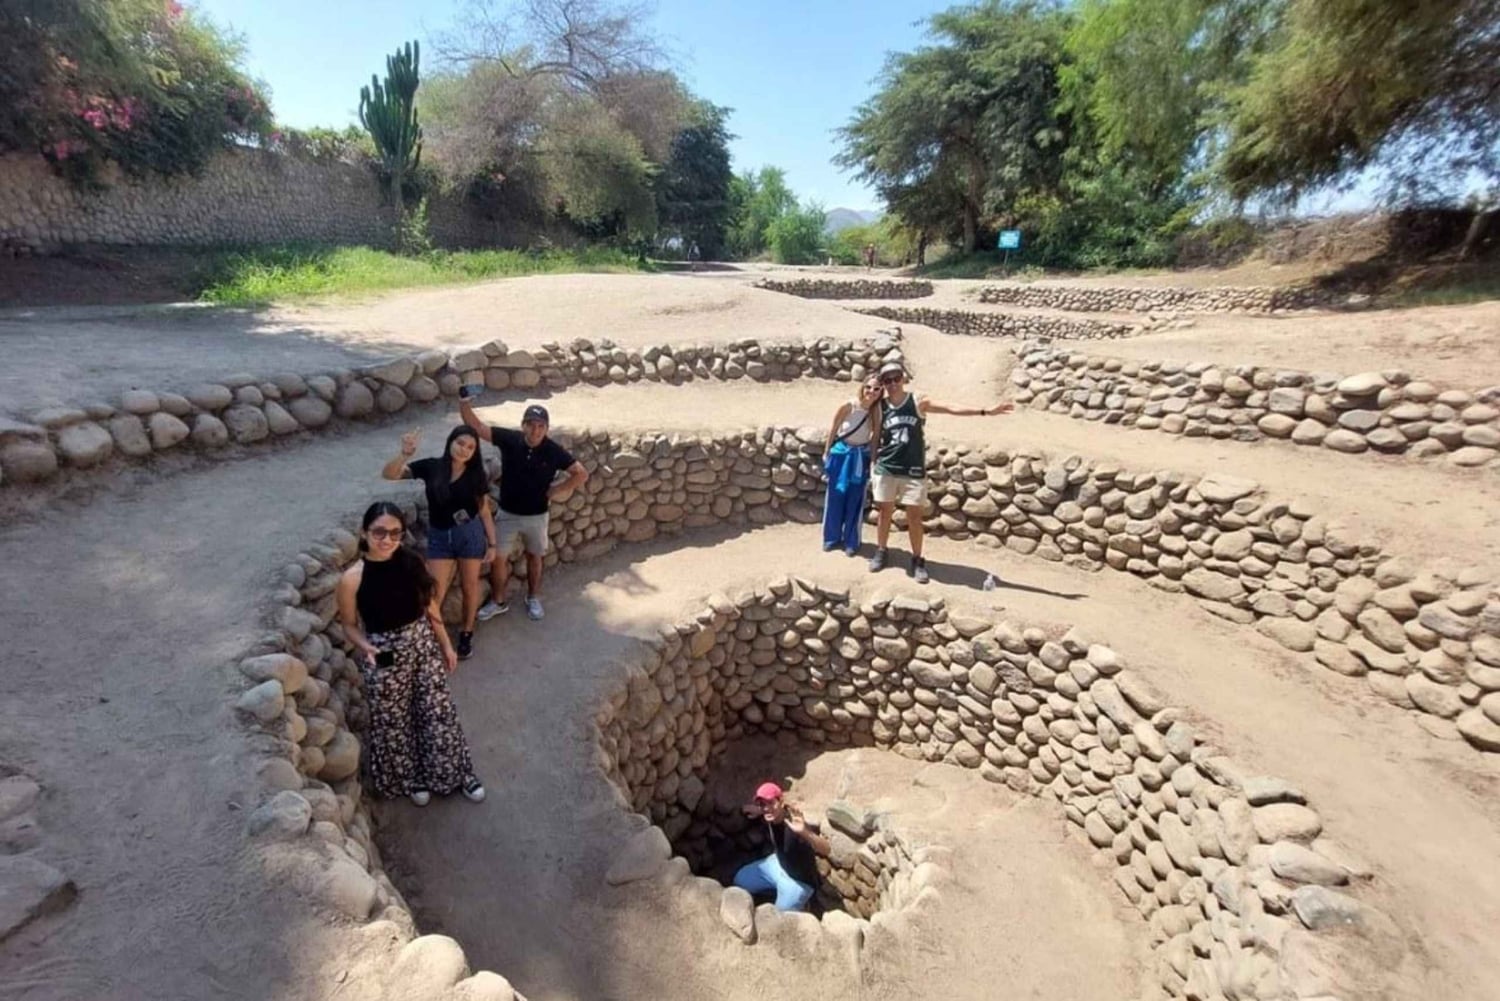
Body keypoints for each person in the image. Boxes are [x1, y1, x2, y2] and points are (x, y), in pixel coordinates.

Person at [335, 502, 485, 807]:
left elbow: (430, 606)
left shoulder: (412, 563)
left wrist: (445, 644)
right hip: (384, 653)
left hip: (422, 644)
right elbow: (348, 625)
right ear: (365, 533)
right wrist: (364, 646)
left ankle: (456, 772)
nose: (387, 539)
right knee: (395, 718)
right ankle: (411, 776)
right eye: (379, 532)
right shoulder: (352, 579)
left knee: (437, 710)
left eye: (395, 533)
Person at [869, 361, 1013, 583]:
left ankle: (917, 559)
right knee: (884, 512)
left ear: (903, 378)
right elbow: (876, 435)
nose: (893, 383)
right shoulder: (881, 407)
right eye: (887, 380)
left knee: (914, 516)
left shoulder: (917, 402)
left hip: (912, 468)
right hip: (887, 467)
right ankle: (881, 550)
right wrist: (872, 463)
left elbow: (950, 408)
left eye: (896, 378)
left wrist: (985, 411)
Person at [460, 399, 589, 621]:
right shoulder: (510, 440)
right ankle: (498, 601)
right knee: (498, 559)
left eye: (541, 426)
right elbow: (478, 427)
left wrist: (556, 490)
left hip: (537, 516)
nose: (536, 430)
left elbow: (581, 473)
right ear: (523, 425)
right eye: (531, 424)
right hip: (507, 513)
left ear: (546, 428)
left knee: (534, 557)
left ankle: (533, 597)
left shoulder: (553, 451)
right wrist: (464, 402)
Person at [382, 425, 496, 661]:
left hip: (469, 535)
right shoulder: (432, 467)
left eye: (470, 447)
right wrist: (405, 454)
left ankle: (466, 633)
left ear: (475, 452)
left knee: (469, 587)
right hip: (440, 536)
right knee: (433, 594)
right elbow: (389, 475)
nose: (464, 450)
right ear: (450, 442)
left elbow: (483, 511)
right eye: (460, 443)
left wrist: (492, 544)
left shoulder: (476, 475)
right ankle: (431, 640)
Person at [733, 782, 828, 912]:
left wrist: (805, 832)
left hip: (798, 882)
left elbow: (826, 849)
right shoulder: (771, 815)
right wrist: (757, 810)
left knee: (779, 918)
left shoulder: (795, 825)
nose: (766, 808)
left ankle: (803, 904)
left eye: (771, 803)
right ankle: (777, 892)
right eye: (762, 804)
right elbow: (769, 810)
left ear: (781, 801)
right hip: (778, 864)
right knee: (740, 880)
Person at [822, 375, 882, 555]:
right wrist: (827, 452)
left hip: (859, 457)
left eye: (876, 389)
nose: (871, 392)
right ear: (863, 388)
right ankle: (831, 538)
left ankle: (851, 541)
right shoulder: (849, 405)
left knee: (855, 499)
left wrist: (872, 460)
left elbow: (875, 437)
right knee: (835, 496)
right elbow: (833, 428)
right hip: (841, 454)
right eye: (869, 387)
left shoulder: (876, 411)